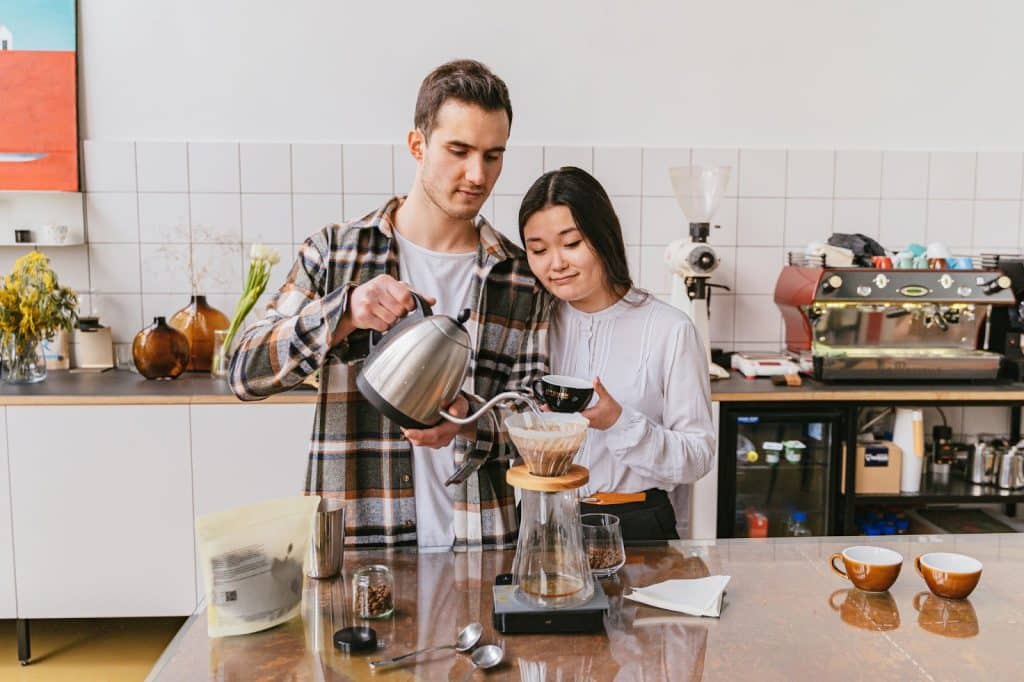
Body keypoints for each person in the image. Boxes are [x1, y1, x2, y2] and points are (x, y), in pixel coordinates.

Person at [230, 60, 549, 548]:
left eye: (493, 156)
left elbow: (536, 418)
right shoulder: (336, 253)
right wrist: (344, 313)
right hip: (359, 545)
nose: (476, 174)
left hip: (481, 547)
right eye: (458, 150)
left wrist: (469, 422)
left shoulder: (520, 277)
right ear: (417, 146)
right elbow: (243, 372)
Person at [518, 167, 715, 541]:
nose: (555, 263)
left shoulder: (669, 329)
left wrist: (618, 422)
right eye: (539, 250)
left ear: (604, 237)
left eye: (571, 244)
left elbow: (698, 455)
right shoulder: (533, 326)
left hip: (635, 521)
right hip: (543, 519)